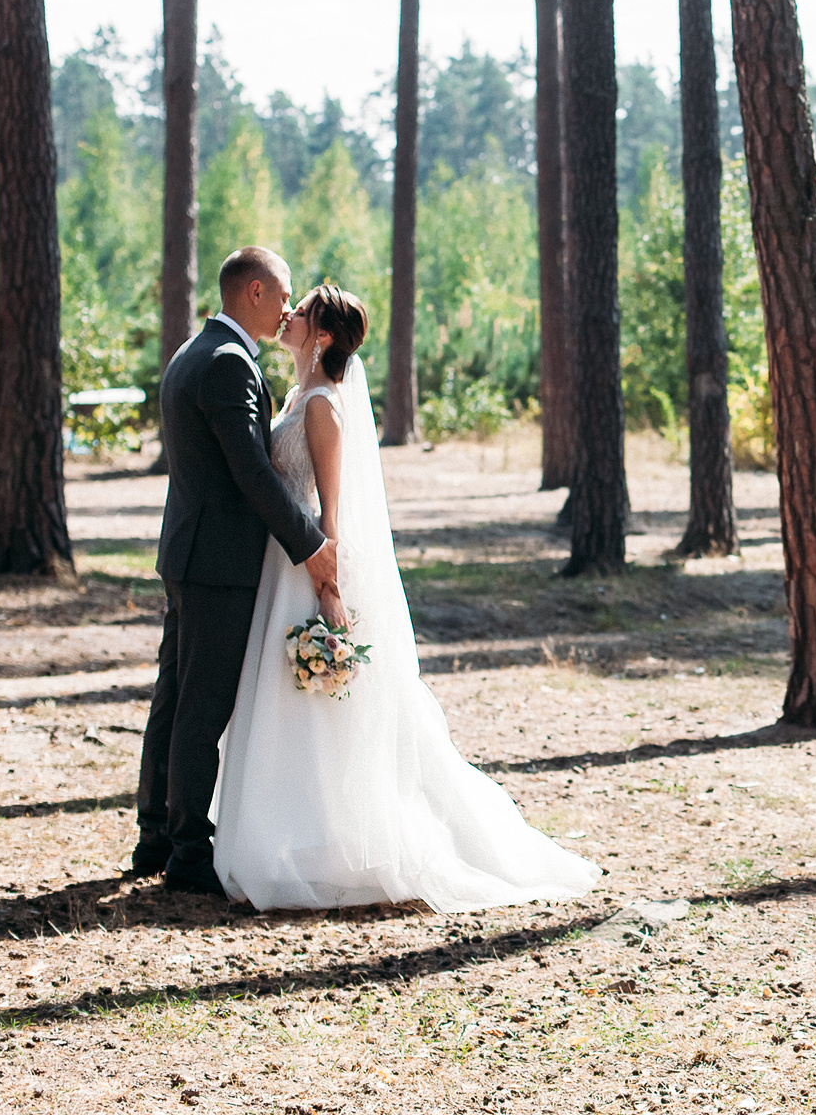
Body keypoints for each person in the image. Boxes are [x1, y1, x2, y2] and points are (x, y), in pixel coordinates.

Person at [211, 283, 601, 911]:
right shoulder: (297, 393)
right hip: (279, 566)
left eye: (302, 311)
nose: (288, 315)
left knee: (317, 706)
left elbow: (331, 512)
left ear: (325, 335)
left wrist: (327, 590)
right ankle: (295, 832)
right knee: (287, 704)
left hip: (307, 566)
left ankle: (328, 844)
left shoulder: (321, 407)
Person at [137, 247, 343, 895]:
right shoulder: (229, 364)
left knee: (174, 698)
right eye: (282, 295)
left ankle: (156, 835)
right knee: (202, 707)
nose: (287, 308)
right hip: (219, 562)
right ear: (253, 292)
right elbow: (249, 471)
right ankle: (189, 854)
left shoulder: (194, 351)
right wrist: (311, 546)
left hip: (189, 555)